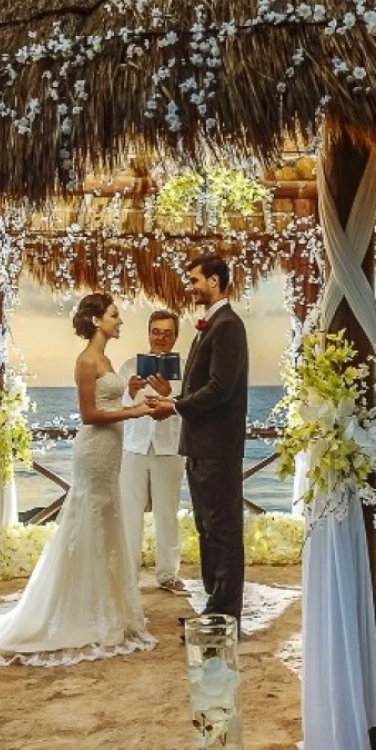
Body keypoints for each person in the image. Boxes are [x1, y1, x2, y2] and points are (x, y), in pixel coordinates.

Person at [0, 293, 157, 667]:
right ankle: (80, 611)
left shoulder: (106, 360)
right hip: (93, 451)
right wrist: (135, 411)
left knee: (107, 523)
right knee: (87, 522)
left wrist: (132, 395)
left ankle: (105, 607)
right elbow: (90, 415)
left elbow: (110, 405)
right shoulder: (86, 360)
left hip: (111, 453)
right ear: (95, 321)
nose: (120, 321)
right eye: (114, 315)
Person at [147, 255, 248, 620]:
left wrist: (174, 406)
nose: (190, 287)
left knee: (221, 528)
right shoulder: (211, 325)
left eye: (195, 280)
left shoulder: (228, 326)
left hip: (218, 447)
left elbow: (220, 388)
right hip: (202, 446)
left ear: (215, 283)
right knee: (207, 527)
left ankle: (225, 612)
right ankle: (214, 605)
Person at [118, 310, 185, 595]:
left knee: (167, 513)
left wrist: (171, 393)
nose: (160, 338)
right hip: (134, 447)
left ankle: (168, 574)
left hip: (169, 448)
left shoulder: (185, 370)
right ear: (148, 333)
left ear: (175, 337)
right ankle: (127, 574)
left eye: (167, 333)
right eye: (156, 332)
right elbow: (118, 408)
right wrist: (131, 392)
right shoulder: (130, 366)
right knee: (129, 512)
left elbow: (189, 409)